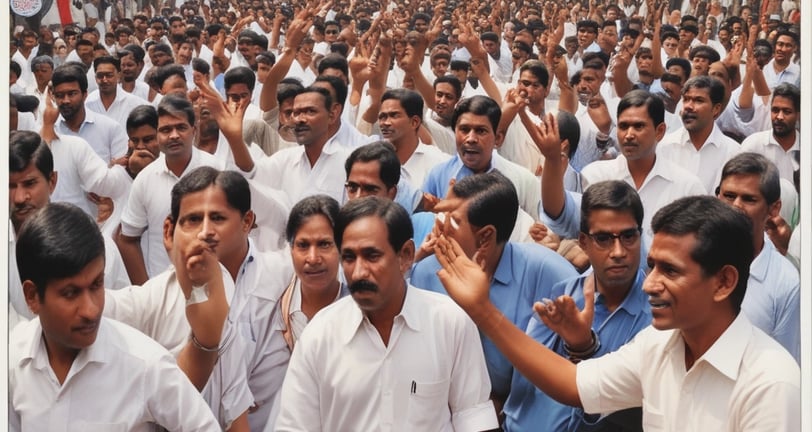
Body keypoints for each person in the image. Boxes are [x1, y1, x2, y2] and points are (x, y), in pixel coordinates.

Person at [433, 195, 800, 431]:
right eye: (652, 266)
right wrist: (482, 310)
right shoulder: (659, 345)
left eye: (669, 271)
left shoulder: (769, 383)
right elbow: (571, 384)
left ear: (723, 282)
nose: (649, 284)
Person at [276, 197, 498, 431]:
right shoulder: (319, 336)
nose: (359, 272)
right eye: (349, 258)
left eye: (372, 256)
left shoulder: (450, 323)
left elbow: (474, 419)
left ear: (405, 255)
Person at [10, 202, 220, 430]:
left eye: (96, 285)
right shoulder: (13, 361)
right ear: (32, 296)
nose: (91, 310)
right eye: (70, 293)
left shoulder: (145, 365)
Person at [412, 172, 577, 408]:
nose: (441, 228)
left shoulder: (550, 275)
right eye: (442, 216)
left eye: (455, 221)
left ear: (485, 237)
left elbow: (572, 373)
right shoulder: (426, 274)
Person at [503, 180, 652, 431]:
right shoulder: (564, 293)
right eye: (603, 238)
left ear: (640, 236)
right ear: (583, 242)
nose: (618, 251)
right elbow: (529, 373)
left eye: (628, 236)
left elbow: (626, 407)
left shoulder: (658, 317)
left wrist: (584, 349)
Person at [116, 95, 225, 284]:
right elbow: (127, 240)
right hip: (164, 288)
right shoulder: (145, 179)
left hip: (215, 285)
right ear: (158, 135)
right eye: (166, 130)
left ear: (194, 130)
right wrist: (147, 291)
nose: (173, 135)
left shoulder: (218, 172)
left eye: (181, 127)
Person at [716, 153, 800, 362]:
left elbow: (784, 364)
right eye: (729, 195)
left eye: (748, 199)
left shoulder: (785, 283)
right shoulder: (692, 255)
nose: (736, 206)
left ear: (774, 209)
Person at [278, 194, 349, 351]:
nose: (313, 258)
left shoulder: (359, 310)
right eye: (303, 245)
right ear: (291, 250)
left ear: (342, 247)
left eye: (324, 244)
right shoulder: (275, 306)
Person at [740, 83, 799, 183]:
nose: (779, 117)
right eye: (775, 110)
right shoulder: (753, 145)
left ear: (798, 115)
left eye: (787, 111)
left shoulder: (806, 147)